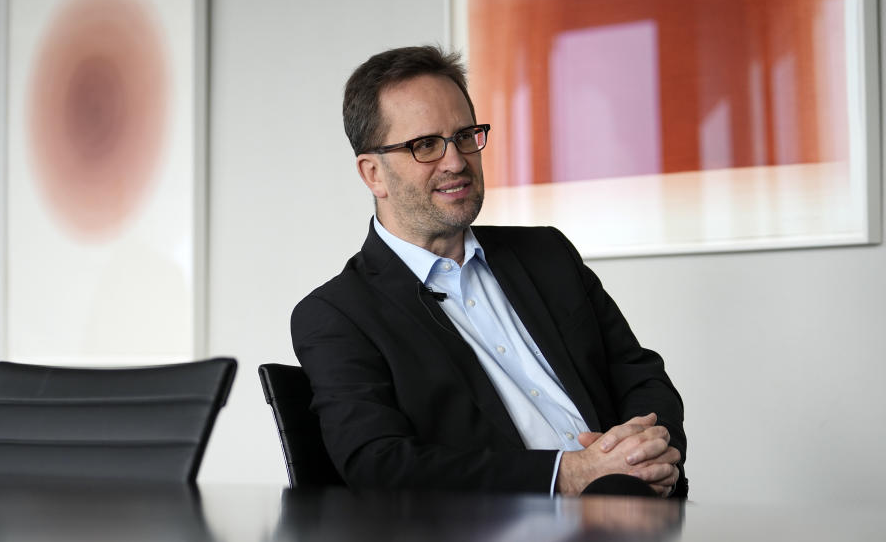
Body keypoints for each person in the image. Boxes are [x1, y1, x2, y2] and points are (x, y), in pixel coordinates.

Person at [291, 45, 687, 498]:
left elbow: (639, 374)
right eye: (425, 145)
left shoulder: (547, 253)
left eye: (464, 136)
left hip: (636, 516)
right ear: (373, 174)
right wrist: (569, 474)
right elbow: (380, 464)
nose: (456, 161)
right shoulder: (337, 316)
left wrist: (647, 452)